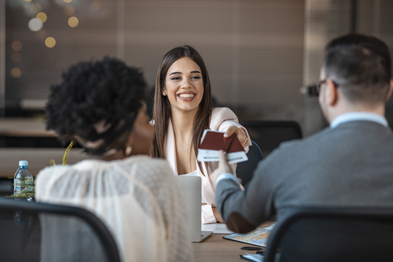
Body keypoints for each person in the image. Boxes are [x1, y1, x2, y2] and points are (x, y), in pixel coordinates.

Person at [212, 34, 393, 233]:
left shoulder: (289, 159)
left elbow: (237, 219)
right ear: (389, 90)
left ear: (330, 91)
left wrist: (225, 175)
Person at [35, 57, 194, 262]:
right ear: (125, 131)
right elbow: (179, 257)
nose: (152, 128)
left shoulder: (49, 182)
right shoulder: (154, 175)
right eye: (146, 120)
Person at [152, 45, 252, 224]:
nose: (186, 84)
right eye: (176, 78)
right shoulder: (152, 134)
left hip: (227, 232)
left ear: (204, 86)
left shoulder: (218, 121)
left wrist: (237, 134)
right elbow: (155, 209)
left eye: (195, 77)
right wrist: (213, 214)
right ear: (163, 88)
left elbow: (230, 129)